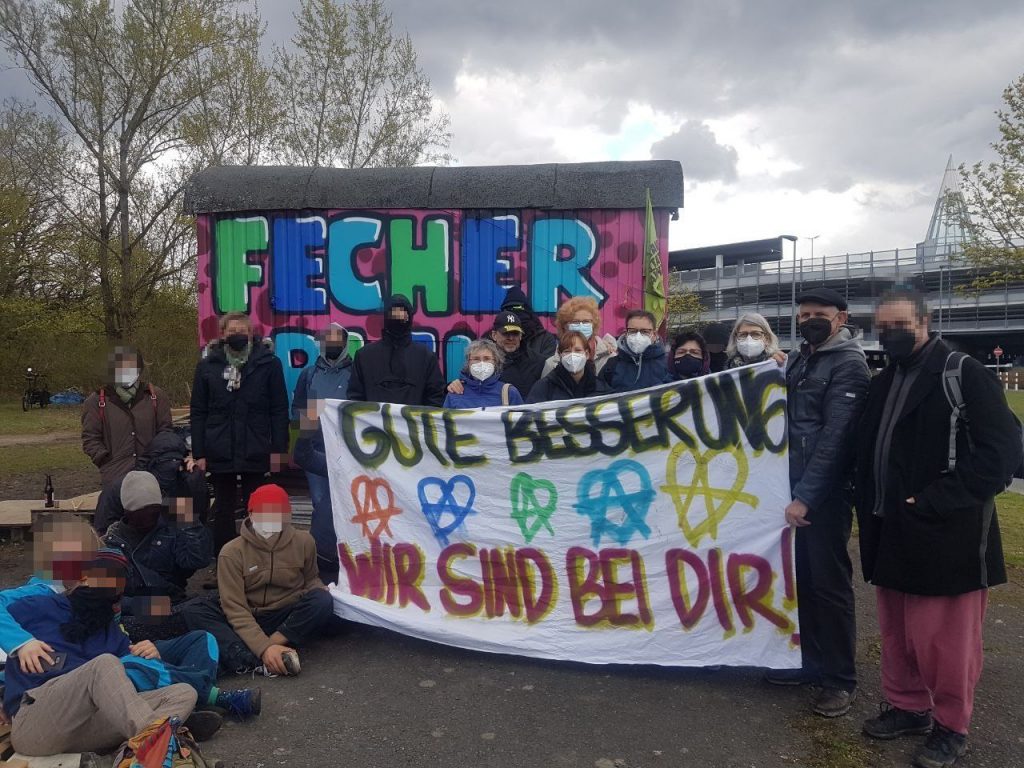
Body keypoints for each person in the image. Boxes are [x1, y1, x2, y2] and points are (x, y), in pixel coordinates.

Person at [854, 290, 1020, 768]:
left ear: (925, 321)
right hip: (890, 526)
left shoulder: (963, 373)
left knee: (945, 641)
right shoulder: (886, 380)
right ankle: (908, 707)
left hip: (947, 531)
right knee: (898, 632)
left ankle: (951, 726)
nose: (891, 335)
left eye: (900, 325)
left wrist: (934, 500)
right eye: (883, 328)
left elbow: (1002, 452)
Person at [0, 529, 260, 738]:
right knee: (114, 666)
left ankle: (177, 712)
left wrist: (145, 650)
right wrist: (22, 643)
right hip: (51, 700)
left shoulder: (101, 606)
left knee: (189, 662)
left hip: (99, 688)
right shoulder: (37, 599)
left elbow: (119, 643)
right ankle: (206, 699)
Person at [769, 287, 869, 719]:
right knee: (803, 582)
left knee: (829, 585)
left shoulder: (849, 365)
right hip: (791, 489)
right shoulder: (799, 358)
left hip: (822, 496)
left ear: (841, 318)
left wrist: (806, 498)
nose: (809, 320)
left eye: (819, 314)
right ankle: (809, 663)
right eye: (804, 314)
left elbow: (836, 439)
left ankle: (840, 678)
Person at [3, 551, 198, 757]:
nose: (111, 600)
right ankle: (156, 744)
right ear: (82, 580)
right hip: (35, 724)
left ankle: (134, 751)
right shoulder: (40, 606)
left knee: (183, 693)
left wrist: (150, 654)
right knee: (104, 664)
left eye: (116, 594)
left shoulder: (110, 633)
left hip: (83, 730)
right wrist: (21, 643)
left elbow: (130, 682)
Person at [181, 485, 335, 677]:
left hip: (285, 614)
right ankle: (258, 658)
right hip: (249, 613)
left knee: (322, 600)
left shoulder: (304, 541)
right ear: (251, 514)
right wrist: (263, 648)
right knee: (194, 610)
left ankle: (262, 651)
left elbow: (311, 579)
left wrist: (266, 645)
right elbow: (235, 608)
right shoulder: (231, 552)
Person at [190, 312, 290, 555]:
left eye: (242, 330)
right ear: (223, 334)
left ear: (251, 333)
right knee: (222, 508)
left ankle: (259, 557)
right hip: (219, 448)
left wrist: (279, 450)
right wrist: (199, 453)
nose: (237, 335)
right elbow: (198, 411)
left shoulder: (269, 363)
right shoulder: (207, 366)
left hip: (256, 447)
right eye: (232, 331)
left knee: (257, 506)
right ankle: (225, 559)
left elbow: (278, 410)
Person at [103, 471, 212, 638]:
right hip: (132, 615)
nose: (148, 519)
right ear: (127, 511)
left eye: (154, 512)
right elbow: (103, 595)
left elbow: (197, 560)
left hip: (174, 606)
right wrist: (141, 606)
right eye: (141, 513)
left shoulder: (170, 530)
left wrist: (189, 521)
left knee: (209, 610)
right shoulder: (111, 542)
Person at [292, 323, 352, 584]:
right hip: (316, 450)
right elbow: (297, 408)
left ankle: (345, 559)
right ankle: (319, 560)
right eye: (327, 338)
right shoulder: (308, 374)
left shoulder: (355, 373)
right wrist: (308, 421)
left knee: (347, 505)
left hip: (347, 453)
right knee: (321, 504)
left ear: (346, 343)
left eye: (337, 339)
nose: (332, 343)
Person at [81, 345, 172, 489]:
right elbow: (90, 438)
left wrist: (159, 460)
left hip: (152, 475)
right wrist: (105, 461)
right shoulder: (96, 401)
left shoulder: (156, 396)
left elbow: (166, 432)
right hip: (115, 477)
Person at [347, 295, 445, 407]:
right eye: (393, 314)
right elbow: (355, 400)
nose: (397, 317)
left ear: (410, 318)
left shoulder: (426, 356)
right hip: (373, 419)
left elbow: (435, 398)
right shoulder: (364, 356)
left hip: (414, 419)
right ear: (386, 317)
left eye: (402, 314)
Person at [445, 311, 546, 402]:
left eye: (515, 333)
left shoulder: (538, 362)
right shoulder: (483, 362)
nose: (511, 338)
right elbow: (467, 382)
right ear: (494, 335)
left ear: (520, 336)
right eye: (506, 333)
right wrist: (452, 385)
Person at [600, 309, 675, 393]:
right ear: (626, 333)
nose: (638, 336)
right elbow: (601, 394)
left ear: (654, 335)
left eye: (645, 331)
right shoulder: (612, 364)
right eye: (633, 331)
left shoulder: (667, 363)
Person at [540, 297, 617, 376]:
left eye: (586, 321)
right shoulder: (552, 364)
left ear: (594, 324)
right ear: (564, 326)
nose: (581, 325)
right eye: (575, 322)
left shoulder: (610, 358)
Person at [527, 331, 612, 403]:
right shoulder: (543, 388)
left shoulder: (601, 388)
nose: (572, 355)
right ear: (560, 355)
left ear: (586, 354)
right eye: (567, 351)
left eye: (578, 350)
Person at [443, 338, 524, 408]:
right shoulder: (456, 391)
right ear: (468, 363)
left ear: (495, 362)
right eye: (476, 359)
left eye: (487, 358)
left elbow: (520, 420)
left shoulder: (509, 392)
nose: (481, 363)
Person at [500, 286, 558, 361]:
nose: (511, 338)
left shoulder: (545, 339)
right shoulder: (494, 338)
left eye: (518, 308)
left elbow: (549, 365)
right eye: (509, 310)